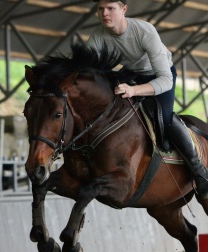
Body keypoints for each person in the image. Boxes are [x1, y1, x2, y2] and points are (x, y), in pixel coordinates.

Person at [87, 0, 208, 199]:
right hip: (131, 73)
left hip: (160, 75)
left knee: (166, 119)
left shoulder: (144, 31)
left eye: (111, 8)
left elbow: (166, 80)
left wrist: (134, 91)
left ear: (124, 10)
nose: (104, 13)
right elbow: (87, 70)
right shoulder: (98, 36)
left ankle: (199, 171)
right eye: (100, 9)